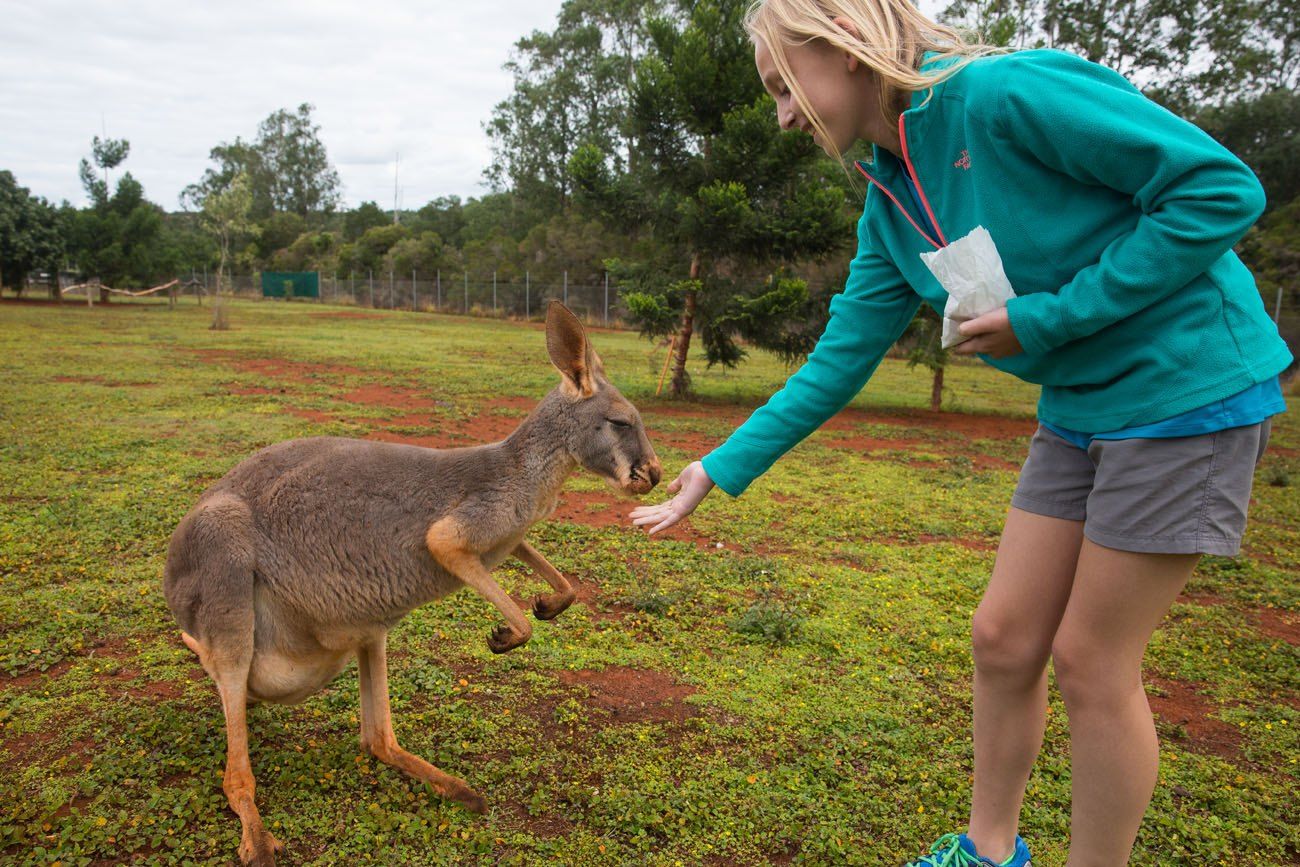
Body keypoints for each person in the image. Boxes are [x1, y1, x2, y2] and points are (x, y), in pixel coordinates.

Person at [628, 0, 1293, 864]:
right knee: (1003, 636)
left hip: (1185, 389)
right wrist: (717, 467)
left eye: (783, 85)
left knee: (1091, 659)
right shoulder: (891, 195)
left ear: (846, 51)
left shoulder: (1006, 94)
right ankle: (989, 850)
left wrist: (1049, 317)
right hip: (1080, 408)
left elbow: (1221, 190)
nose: (782, 114)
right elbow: (840, 358)